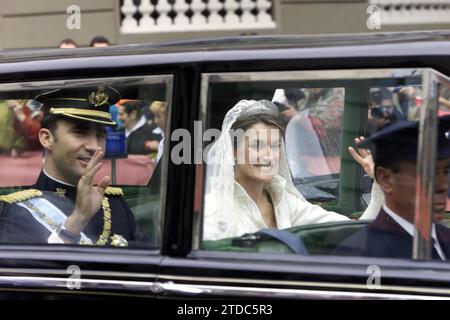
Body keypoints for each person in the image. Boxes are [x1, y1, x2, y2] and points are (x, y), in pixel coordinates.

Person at [203, 99, 383, 241]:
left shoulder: (284, 200)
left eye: (275, 146)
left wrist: (380, 182)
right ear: (233, 152)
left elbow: (356, 232)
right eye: (257, 146)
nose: (269, 156)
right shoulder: (214, 210)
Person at [0, 86, 148, 246]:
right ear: (46, 138)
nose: (94, 145)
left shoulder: (116, 206)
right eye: (80, 132)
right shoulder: (15, 212)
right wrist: (74, 225)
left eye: (100, 135)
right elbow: (27, 269)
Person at [333, 117, 450, 260]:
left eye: (446, 171)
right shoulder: (359, 254)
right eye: (426, 173)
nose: (442, 185)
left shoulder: (446, 239)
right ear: (385, 179)